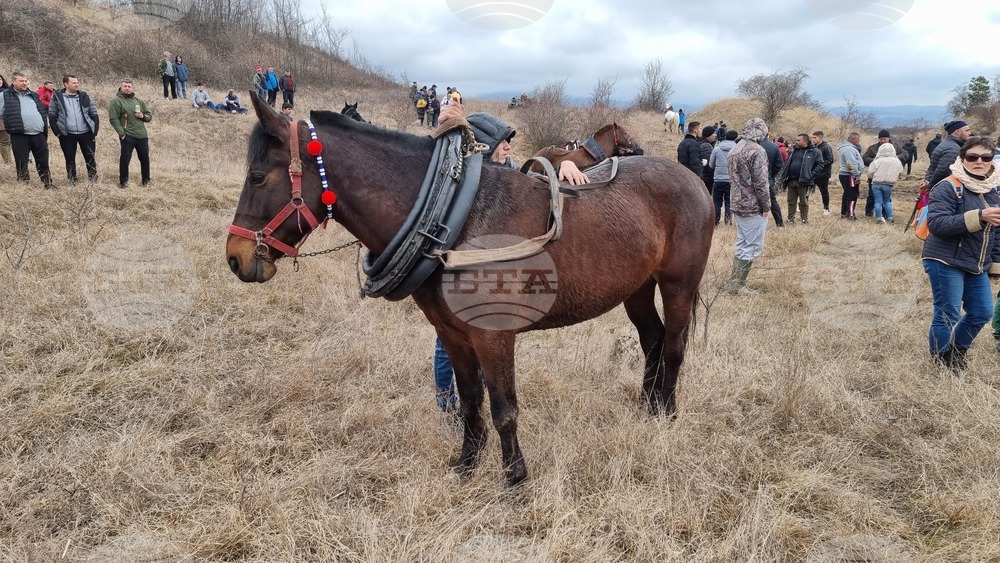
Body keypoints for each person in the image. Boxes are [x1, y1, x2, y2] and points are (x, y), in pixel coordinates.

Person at [430, 102, 590, 410]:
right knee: (446, 345)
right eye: (502, 141)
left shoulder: (507, 171)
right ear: (482, 144)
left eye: (509, 140)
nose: (508, 146)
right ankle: (447, 405)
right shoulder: (458, 178)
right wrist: (442, 129)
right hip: (457, 276)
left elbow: (532, 182)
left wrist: (565, 165)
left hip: (491, 274)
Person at [920, 136, 1000, 373]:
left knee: (983, 311)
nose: (979, 161)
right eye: (972, 157)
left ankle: (957, 351)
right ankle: (942, 361)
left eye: (985, 157)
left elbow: (996, 233)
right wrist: (979, 216)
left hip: (976, 262)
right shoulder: (948, 186)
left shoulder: (992, 190)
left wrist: (995, 265)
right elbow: (938, 224)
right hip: (944, 259)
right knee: (948, 313)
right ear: (962, 158)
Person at [726, 117, 771, 295]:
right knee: (752, 244)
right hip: (752, 204)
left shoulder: (734, 148)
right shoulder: (756, 150)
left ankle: (735, 281)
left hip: (737, 201)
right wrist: (766, 205)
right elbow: (761, 182)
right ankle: (739, 284)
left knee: (743, 241)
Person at [0, 71, 54, 188]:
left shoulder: (34, 95)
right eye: (21, 81)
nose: (24, 83)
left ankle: (47, 183)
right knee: (21, 162)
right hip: (19, 134)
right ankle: (24, 186)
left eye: (25, 81)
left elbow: (41, 111)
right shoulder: (4, 95)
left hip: (38, 134)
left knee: (43, 161)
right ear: (13, 81)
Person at [48, 74, 100, 184]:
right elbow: (52, 115)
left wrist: (94, 131)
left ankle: (93, 178)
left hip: (86, 133)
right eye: (74, 83)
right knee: (69, 158)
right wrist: (57, 133)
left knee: (90, 156)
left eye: (77, 82)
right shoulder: (57, 97)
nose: (77, 84)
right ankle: (72, 179)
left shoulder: (85, 96)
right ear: (66, 84)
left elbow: (94, 113)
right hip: (67, 134)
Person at [109, 79, 152, 188]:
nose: (127, 88)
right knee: (125, 160)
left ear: (132, 88)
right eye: (125, 86)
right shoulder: (116, 101)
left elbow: (149, 117)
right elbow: (114, 119)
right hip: (128, 136)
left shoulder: (139, 101)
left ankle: (146, 182)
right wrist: (122, 134)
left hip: (142, 136)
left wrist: (143, 116)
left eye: (129, 86)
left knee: (145, 160)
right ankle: (123, 183)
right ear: (121, 87)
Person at [777, 133, 823, 225]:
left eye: (798, 140)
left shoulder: (814, 151)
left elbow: (820, 164)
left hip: (804, 181)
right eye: (796, 140)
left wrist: (811, 175)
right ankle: (790, 219)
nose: (796, 142)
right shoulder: (793, 150)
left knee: (803, 202)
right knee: (791, 201)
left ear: (805, 141)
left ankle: (804, 220)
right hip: (791, 180)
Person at [862, 130, 907, 217]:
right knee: (871, 196)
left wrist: (895, 158)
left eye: (884, 139)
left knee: (886, 199)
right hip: (875, 177)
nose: (882, 141)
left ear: (888, 138)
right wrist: (876, 161)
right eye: (881, 139)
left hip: (888, 177)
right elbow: (865, 158)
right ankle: (869, 212)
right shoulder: (873, 148)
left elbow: (905, 154)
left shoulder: (896, 147)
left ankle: (885, 214)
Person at [922, 120, 972, 191]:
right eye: (967, 130)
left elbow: (932, 167)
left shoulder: (947, 143)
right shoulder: (953, 149)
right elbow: (943, 172)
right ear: (957, 132)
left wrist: (927, 181)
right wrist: (930, 188)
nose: (970, 133)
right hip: (944, 189)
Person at [866, 142, 904, 224]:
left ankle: (879, 218)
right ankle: (890, 218)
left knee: (878, 201)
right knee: (887, 201)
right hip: (888, 184)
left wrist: (872, 177)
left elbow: (870, 173)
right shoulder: (896, 161)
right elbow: (900, 171)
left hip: (876, 184)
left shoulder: (876, 161)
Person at [709, 129, 738, 226]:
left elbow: (711, 164)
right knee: (729, 201)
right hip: (732, 180)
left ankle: (716, 222)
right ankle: (728, 221)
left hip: (718, 179)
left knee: (717, 202)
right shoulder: (737, 149)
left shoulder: (717, 149)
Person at [837, 132, 865, 219]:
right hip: (850, 175)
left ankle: (844, 212)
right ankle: (850, 214)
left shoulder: (847, 148)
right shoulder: (849, 149)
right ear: (852, 139)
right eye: (858, 139)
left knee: (847, 194)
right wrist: (856, 175)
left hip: (846, 174)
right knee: (852, 195)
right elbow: (851, 164)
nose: (859, 141)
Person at [760, 135, 785, 228]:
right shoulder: (774, 146)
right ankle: (780, 224)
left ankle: (758, 224)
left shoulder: (753, 145)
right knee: (773, 201)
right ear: (767, 135)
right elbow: (779, 164)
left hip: (753, 180)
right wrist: (771, 174)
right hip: (768, 178)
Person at [811, 131, 834, 216]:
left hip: (823, 174)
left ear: (820, 138)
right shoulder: (813, 147)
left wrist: (820, 164)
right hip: (813, 173)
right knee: (806, 189)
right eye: (812, 137)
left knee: (824, 192)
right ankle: (800, 205)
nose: (813, 139)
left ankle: (826, 208)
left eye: (815, 137)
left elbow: (830, 160)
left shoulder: (826, 147)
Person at [698, 125, 717, 191]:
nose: (715, 135)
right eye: (714, 133)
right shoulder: (706, 146)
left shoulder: (702, 143)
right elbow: (709, 163)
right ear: (709, 134)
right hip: (706, 177)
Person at [0, 73, 12, 165]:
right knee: (5, 142)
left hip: (7, 119)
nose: (0, 81)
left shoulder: (7, 91)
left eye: (0, 79)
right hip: (1, 119)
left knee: (6, 141)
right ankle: (8, 163)